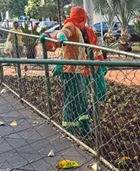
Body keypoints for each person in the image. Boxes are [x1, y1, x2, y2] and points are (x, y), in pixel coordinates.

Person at [39, 7, 102, 137]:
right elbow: (63, 33)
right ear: (81, 17)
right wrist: (60, 37)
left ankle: (84, 127)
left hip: (79, 70)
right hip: (71, 71)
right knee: (72, 100)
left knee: (82, 100)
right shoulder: (71, 26)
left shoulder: (81, 30)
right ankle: (69, 130)